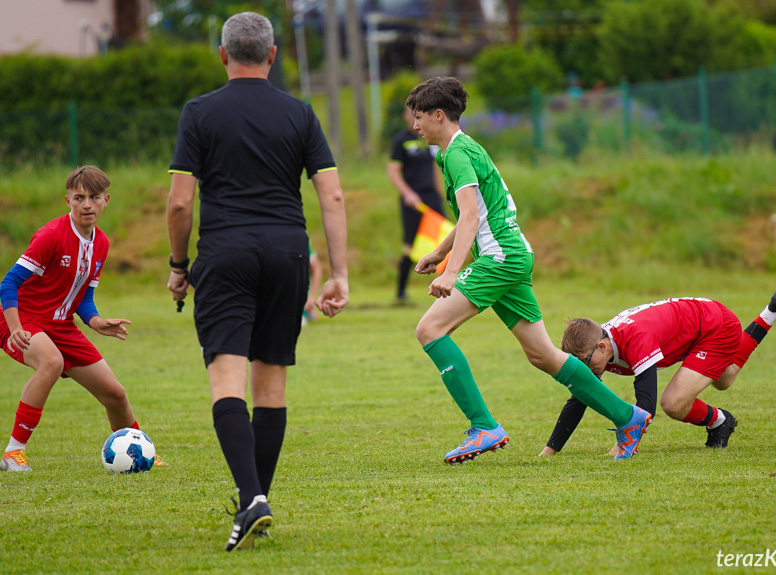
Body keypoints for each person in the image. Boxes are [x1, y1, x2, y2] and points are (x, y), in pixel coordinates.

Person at [165, 12, 349, 552]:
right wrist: (337, 274)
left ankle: (252, 498)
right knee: (271, 386)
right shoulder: (300, 113)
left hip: (226, 253)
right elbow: (332, 195)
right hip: (288, 251)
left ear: (222, 55)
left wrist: (180, 267)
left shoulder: (199, 112)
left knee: (229, 382)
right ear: (272, 56)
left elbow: (180, 201)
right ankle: (255, 498)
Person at [407, 77, 652, 465]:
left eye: (419, 117)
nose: (414, 125)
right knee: (543, 355)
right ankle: (628, 417)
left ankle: (483, 425)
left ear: (439, 115)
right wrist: (439, 252)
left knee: (429, 329)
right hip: (513, 255)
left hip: (500, 258)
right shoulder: (454, 152)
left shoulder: (456, 154)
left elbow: (471, 216)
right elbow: (477, 213)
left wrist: (451, 272)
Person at [538, 289, 776, 457]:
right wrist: (551, 450)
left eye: (585, 362)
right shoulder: (599, 347)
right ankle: (772, 311)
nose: (585, 369)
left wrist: (624, 444)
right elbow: (582, 395)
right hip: (693, 328)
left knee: (675, 402)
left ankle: (720, 421)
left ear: (601, 345)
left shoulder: (635, 339)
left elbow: (645, 408)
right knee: (724, 378)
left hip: (716, 326)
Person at [0, 166, 140, 472]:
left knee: (115, 394)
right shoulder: (51, 235)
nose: (86, 204)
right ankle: (13, 452)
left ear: (107, 200)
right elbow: (8, 284)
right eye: (79, 197)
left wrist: (97, 322)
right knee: (52, 362)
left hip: (61, 326)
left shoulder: (101, 243)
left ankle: (140, 451)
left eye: (94, 197)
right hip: (21, 317)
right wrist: (15, 328)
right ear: (68, 201)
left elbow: (83, 298)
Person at [387, 106, 445, 304]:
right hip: (413, 202)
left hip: (432, 198)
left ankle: (445, 288)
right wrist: (408, 194)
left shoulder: (428, 139)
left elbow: (434, 168)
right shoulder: (401, 140)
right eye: (411, 115)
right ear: (405, 116)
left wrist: (441, 194)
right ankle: (401, 293)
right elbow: (393, 171)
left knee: (444, 241)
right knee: (410, 246)